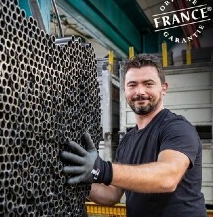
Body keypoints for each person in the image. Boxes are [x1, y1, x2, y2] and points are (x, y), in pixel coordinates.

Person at [60, 54, 206, 216]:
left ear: (163, 88)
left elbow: (168, 178)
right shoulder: (127, 141)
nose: (140, 91)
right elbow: (112, 195)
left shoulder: (177, 128)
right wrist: (77, 177)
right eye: (132, 85)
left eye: (148, 84)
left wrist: (101, 169)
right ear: (125, 90)